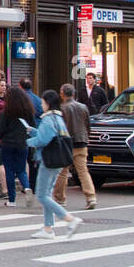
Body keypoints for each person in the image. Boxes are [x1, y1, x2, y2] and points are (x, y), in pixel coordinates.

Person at [25, 90, 83, 239]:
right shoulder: (58, 118)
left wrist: (28, 141)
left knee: (42, 195)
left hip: (48, 160)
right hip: (58, 160)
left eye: (43, 102)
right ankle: (48, 228)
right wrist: (34, 131)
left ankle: (69, 219)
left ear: (48, 103)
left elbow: (42, 140)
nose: (41, 105)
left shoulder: (48, 119)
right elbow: (50, 135)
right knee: (47, 194)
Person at [57, 83, 98, 210]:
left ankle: (60, 199)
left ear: (62, 94)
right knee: (83, 171)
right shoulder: (83, 107)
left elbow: (60, 128)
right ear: (73, 94)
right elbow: (87, 125)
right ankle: (91, 198)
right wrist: (87, 137)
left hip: (67, 143)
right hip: (81, 142)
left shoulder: (62, 108)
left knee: (62, 172)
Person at [0, 86, 35, 208]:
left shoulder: (5, 113)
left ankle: (12, 200)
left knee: (10, 171)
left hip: (8, 144)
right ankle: (27, 187)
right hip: (23, 144)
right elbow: (33, 128)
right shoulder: (28, 112)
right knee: (21, 170)